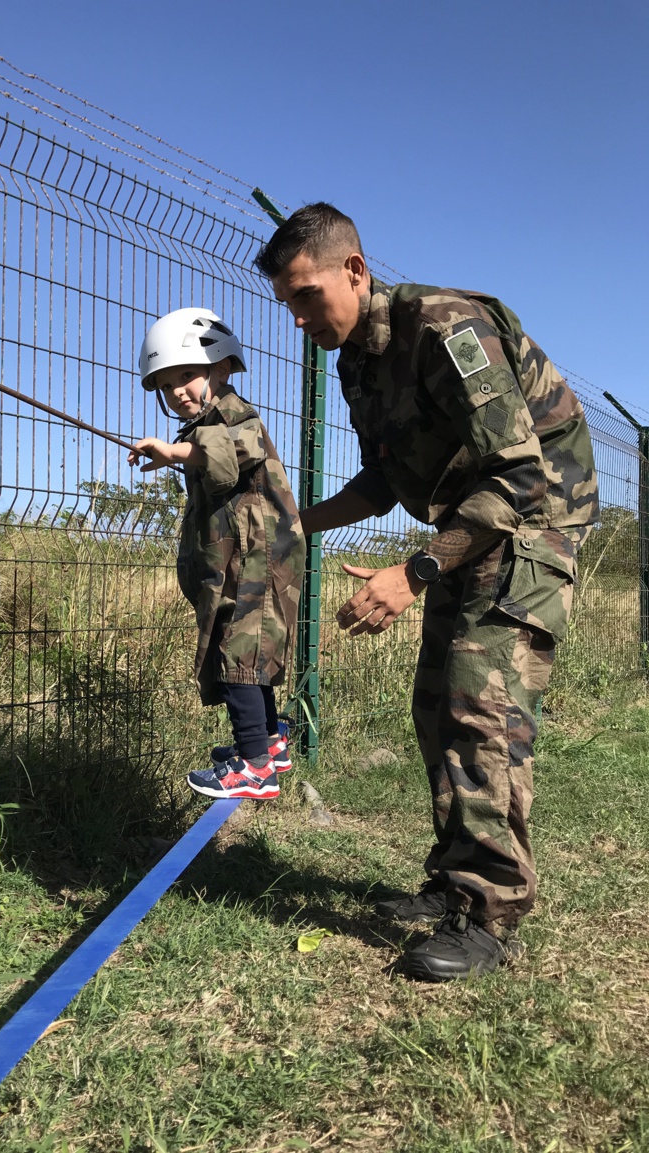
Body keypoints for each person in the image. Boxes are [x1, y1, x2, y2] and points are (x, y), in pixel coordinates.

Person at [254, 203, 599, 981]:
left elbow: (518, 475)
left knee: (481, 707)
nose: (300, 318)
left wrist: (410, 575)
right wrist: (295, 526)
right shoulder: (355, 361)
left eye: (307, 295)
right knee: (436, 702)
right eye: (288, 305)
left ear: (355, 269)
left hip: (533, 520)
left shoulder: (446, 328)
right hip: (469, 522)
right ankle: (451, 882)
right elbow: (384, 481)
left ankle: (490, 912)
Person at [129, 308, 306, 800]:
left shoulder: (235, 413)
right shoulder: (202, 425)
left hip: (259, 558)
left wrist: (176, 453)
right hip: (249, 557)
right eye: (166, 385)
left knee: (240, 652)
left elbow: (235, 446)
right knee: (249, 645)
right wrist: (177, 454)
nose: (178, 391)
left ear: (222, 368)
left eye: (187, 375)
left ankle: (253, 766)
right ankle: (269, 743)